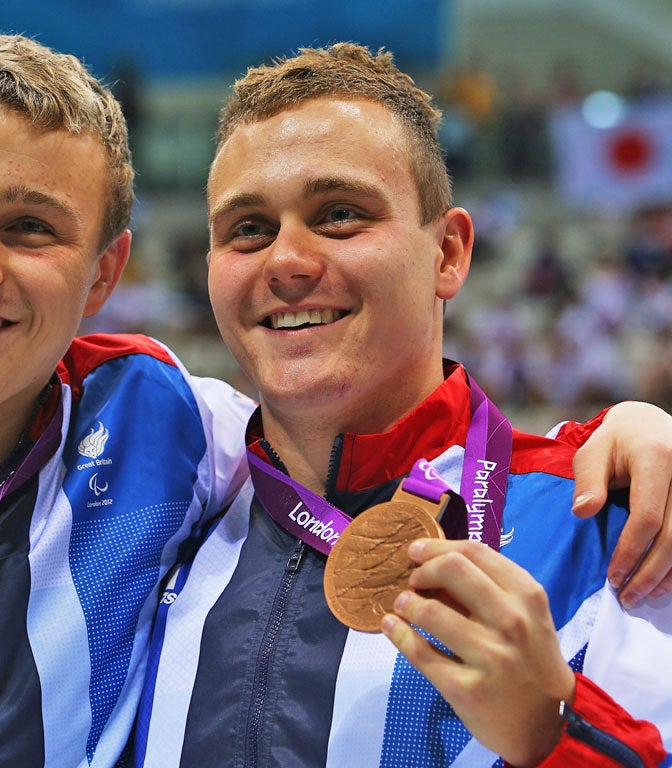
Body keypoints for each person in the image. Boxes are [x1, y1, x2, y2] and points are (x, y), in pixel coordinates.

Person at [0, 34, 668, 768]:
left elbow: (415, 450)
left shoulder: (165, 433)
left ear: (103, 277)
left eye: (31, 228)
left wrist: (555, 733)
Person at [132, 43, 672, 767]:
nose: (286, 260)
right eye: (248, 229)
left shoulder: (618, 531)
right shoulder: (161, 521)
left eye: (340, 214)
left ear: (448, 253)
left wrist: (559, 737)